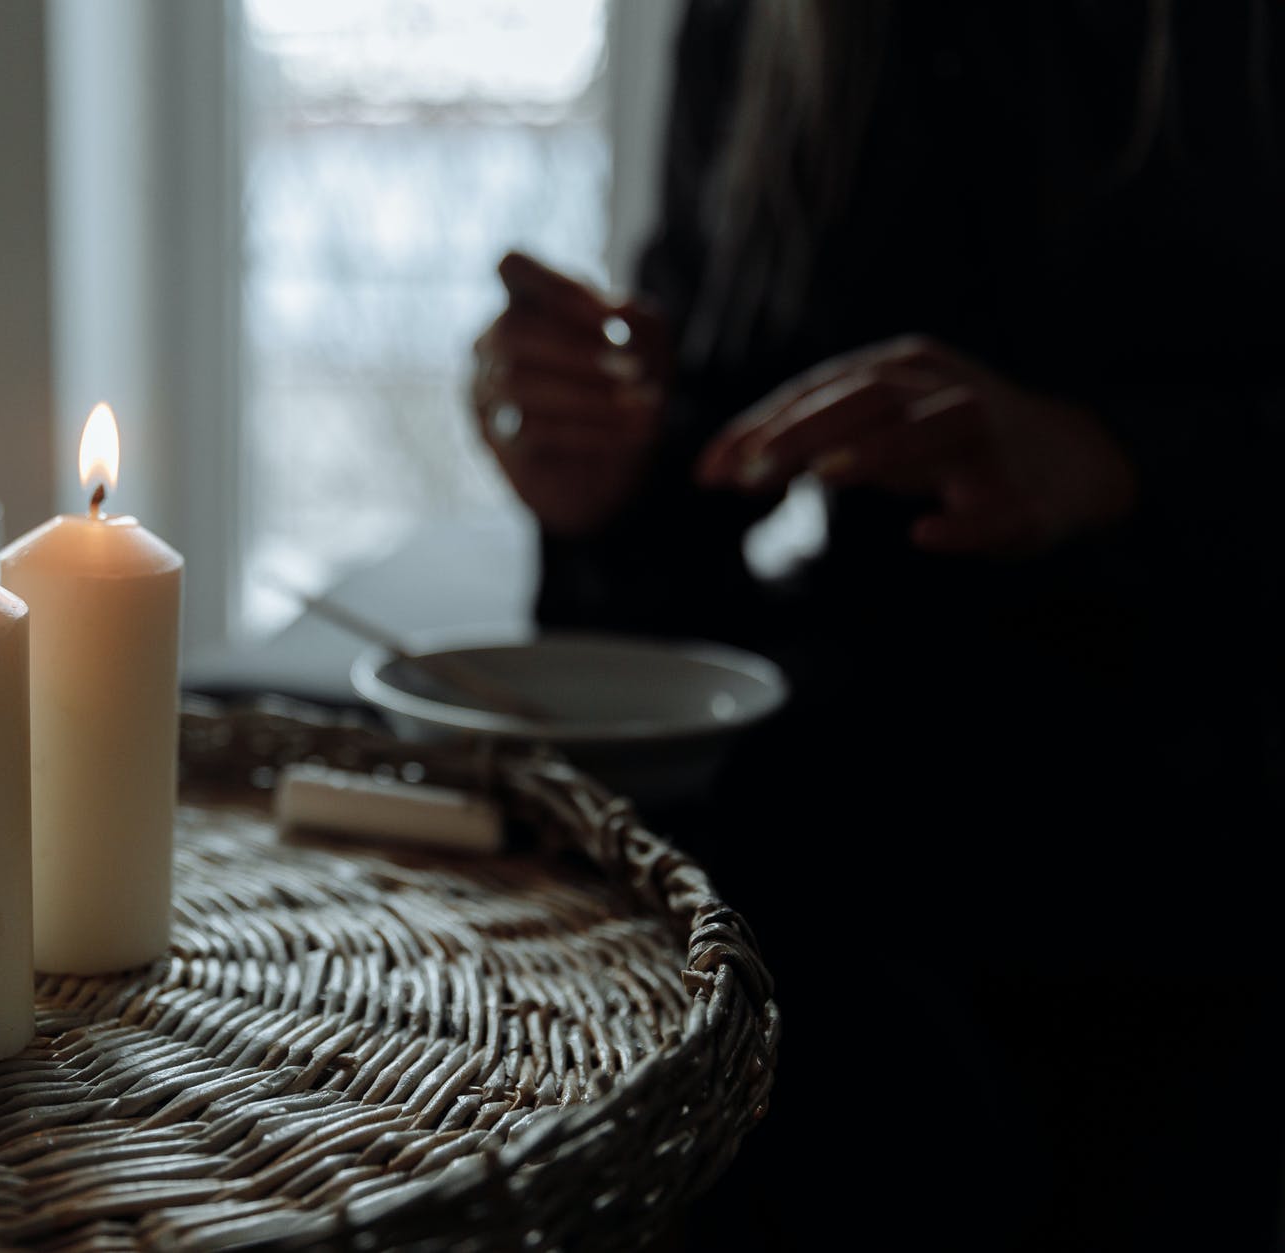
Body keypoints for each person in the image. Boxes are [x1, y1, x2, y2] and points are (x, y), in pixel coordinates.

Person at [472, 3, 1284, 1249]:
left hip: (1186, 825)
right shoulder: (760, 26)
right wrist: (606, 480)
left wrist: (1116, 461)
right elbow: (700, 486)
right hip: (835, 833)